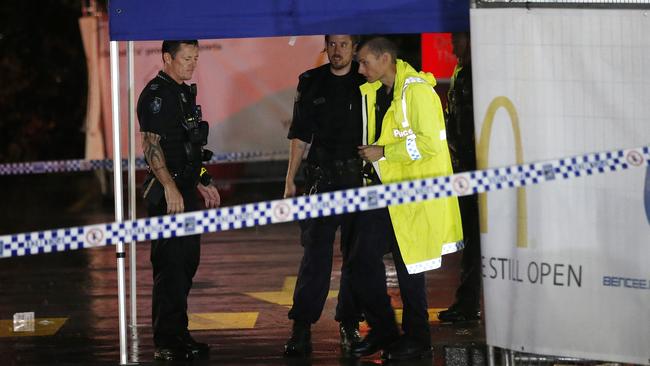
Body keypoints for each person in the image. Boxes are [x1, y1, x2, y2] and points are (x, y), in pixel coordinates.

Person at [349, 37, 463, 361]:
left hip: (414, 197)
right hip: (386, 193)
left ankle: (417, 338)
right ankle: (385, 330)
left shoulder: (417, 92)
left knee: (410, 268)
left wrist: (384, 152)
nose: (361, 68)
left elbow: (429, 144)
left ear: (385, 59)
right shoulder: (373, 93)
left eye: (365, 62)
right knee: (361, 258)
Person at [137, 40, 221, 361]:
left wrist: (202, 179)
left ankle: (179, 334)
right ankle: (166, 342)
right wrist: (170, 188)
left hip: (185, 191)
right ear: (167, 58)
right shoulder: (156, 95)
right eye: (186, 58)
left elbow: (187, 146)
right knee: (170, 268)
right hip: (167, 194)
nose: (192, 64)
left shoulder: (183, 92)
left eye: (196, 58)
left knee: (186, 265)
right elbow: (151, 146)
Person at [283, 34, 365, 357]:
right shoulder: (311, 82)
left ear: (354, 48)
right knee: (315, 259)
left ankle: (349, 323)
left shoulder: (366, 81)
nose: (337, 51)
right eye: (332, 44)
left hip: (357, 182)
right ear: (325, 46)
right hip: (320, 182)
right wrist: (289, 180)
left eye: (344, 45)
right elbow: (300, 137)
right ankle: (301, 327)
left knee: (356, 258)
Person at [438, 32, 482, 324]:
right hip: (464, 167)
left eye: (459, 39)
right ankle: (466, 302)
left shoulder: (481, 73)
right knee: (471, 239)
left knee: (477, 240)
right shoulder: (461, 72)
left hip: (480, 170)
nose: (453, 45)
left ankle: (468, 304)